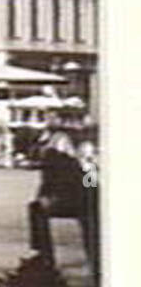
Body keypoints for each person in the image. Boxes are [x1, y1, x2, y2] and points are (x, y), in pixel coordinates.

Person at [27, 110, 96, 278]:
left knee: (37, 210)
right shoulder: (83, 141)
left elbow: (52, 174)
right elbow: (88, 174)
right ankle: (93, 257)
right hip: (84, 193)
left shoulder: (58, 145)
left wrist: (47, 196)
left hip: (76, 195)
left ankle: (45, 257)